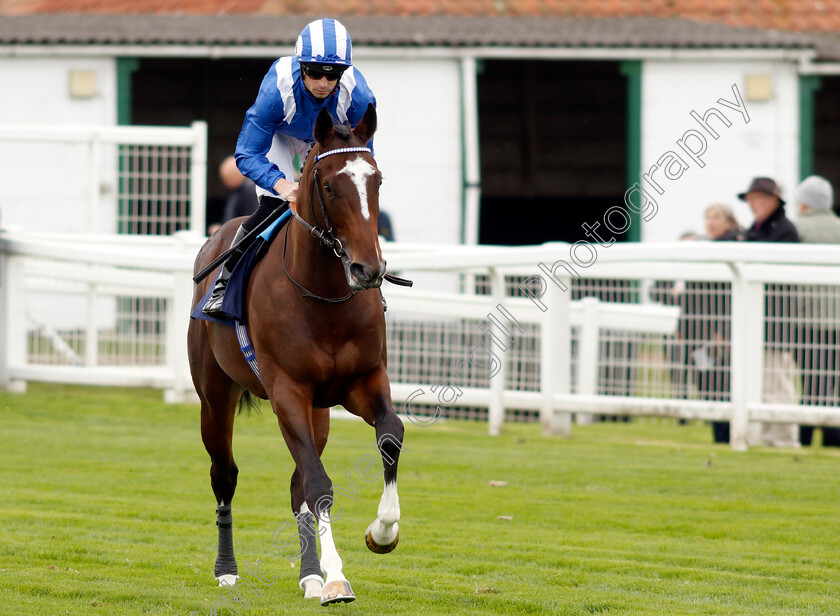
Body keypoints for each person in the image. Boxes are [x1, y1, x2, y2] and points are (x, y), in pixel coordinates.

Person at [202, 18, 376, 316]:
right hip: (282, 136)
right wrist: (283, 185)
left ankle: (370, 280)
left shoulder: (359, 96)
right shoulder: (276, 90)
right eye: (314, 72)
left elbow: (362, 157)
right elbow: (246, 154)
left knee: (351, 203)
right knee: (273, 204)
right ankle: (226, 282)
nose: (323, 83)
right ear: (300, 66)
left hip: (328, 137)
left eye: (333, 74)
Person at [739, 177, 801, 447]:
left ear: (773, 200)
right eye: (751, 199)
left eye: (758, 199)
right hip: (757, 318)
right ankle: (768, 438)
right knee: (763, 384)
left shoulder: (784, 230)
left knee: (778, 384)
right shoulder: (757, 228)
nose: (753, 204)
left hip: (776, 320)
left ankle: (786, 439)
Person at [792, 175, 840, 446]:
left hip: (806, 317)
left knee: (811, 377)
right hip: (838, 320)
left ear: (804, 203)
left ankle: (806, 434)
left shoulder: (798, 230)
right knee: (832, 378)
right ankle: (832, 434)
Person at [697, 204, 741, 442]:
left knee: (720, 385)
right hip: (708, 331)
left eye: (716, 218)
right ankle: (721, 435)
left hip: (721, 332)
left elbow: (725, 297)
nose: (710, 222)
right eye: (707, 217)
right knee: (710, 383)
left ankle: (726, 435)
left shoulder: (730, 248)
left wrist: (721, 331)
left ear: (729, 222)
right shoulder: (710, 247)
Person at [208, 156, 259, 236]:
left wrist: (224, 230)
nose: (225, 184)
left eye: (226, 179)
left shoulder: (250, 192)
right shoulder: (236, 191)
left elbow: (249, 221)